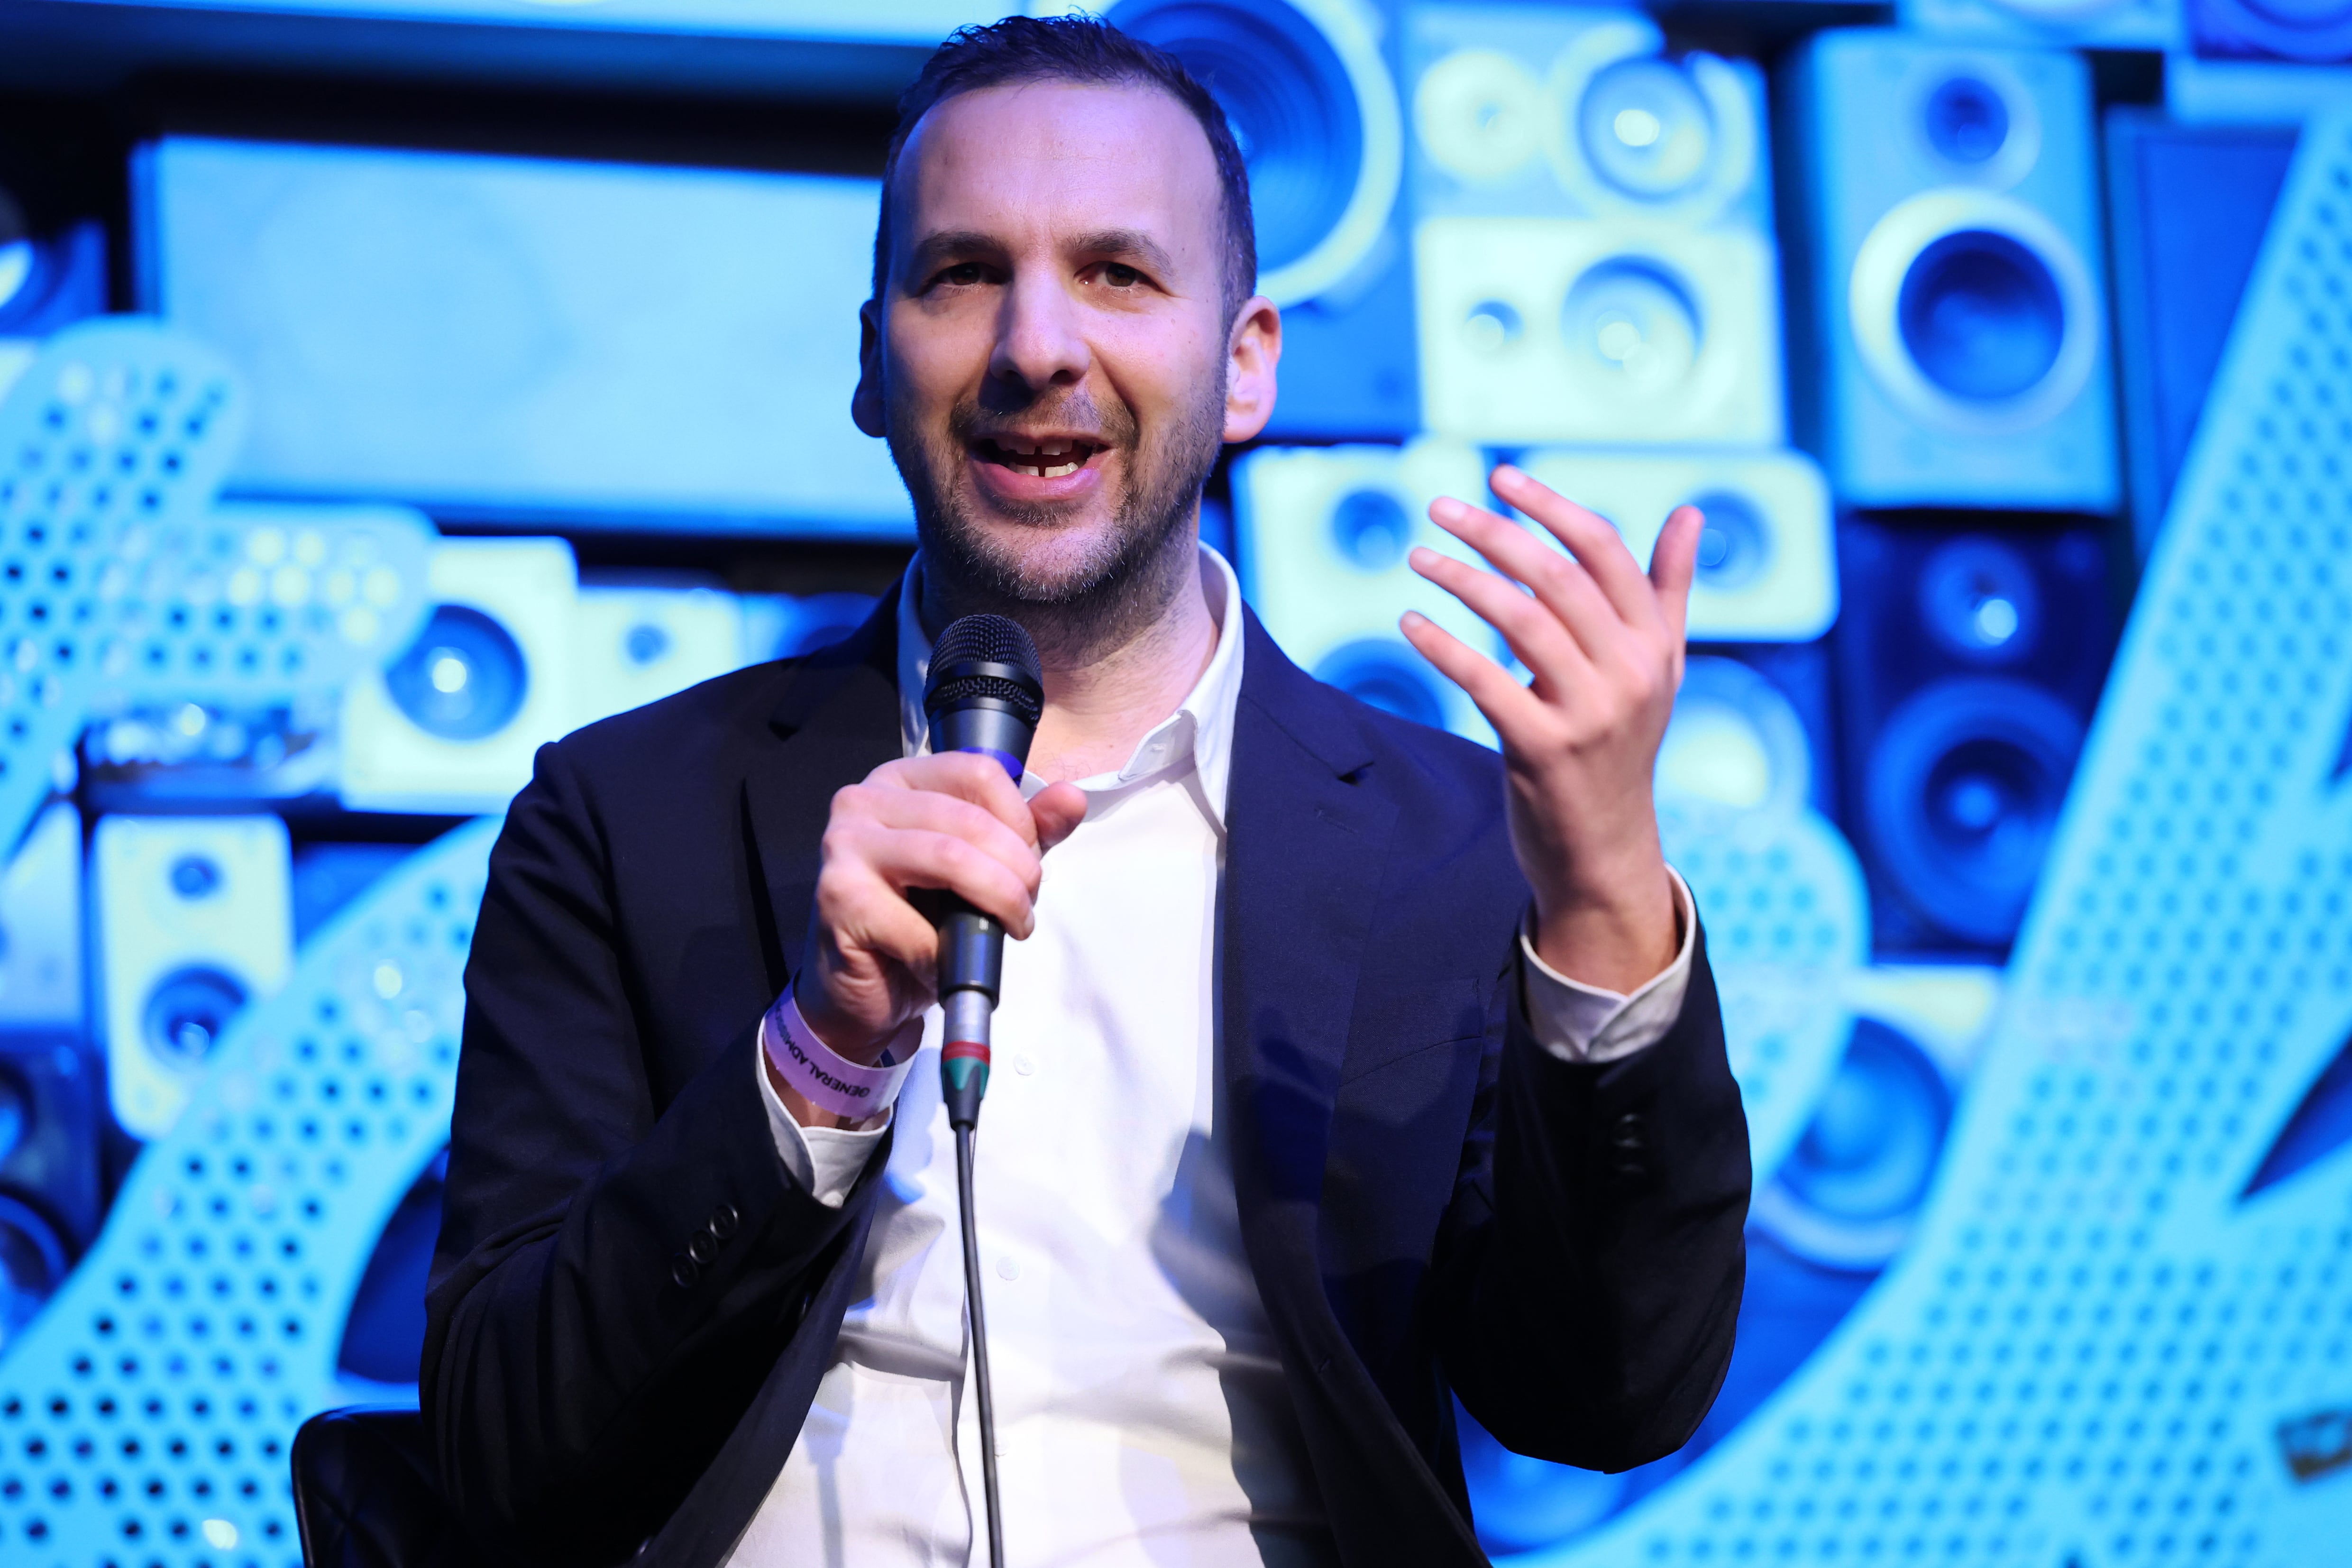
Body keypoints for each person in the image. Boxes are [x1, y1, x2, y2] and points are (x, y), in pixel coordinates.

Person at [422, 16, 1749, 1568]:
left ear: (1244, 362)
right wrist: (816, 1060)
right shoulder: (622, 814)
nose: (1035, 346)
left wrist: (1600, 903)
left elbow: (1607, 1393)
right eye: (962, 273)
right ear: (872, 359)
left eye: (1117, 273)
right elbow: (494, 1446)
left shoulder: (1447, 843)